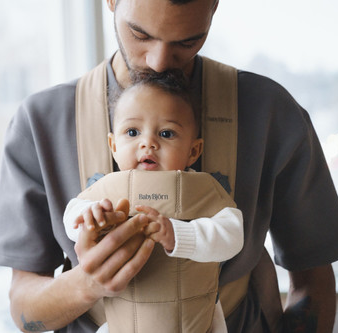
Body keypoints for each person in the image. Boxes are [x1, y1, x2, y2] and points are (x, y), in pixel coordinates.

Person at [0, 0, 338, 332]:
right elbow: (24, 304)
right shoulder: (40, 124)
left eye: (187, 41)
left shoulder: (270, 112)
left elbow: (313, 279)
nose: (159, 61)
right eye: (139, 34)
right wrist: (87, 284)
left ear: (214, 6)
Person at [63, 77, 244, 333]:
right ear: (113, 146)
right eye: (133, 132)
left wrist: (178, 234)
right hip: (122, 321)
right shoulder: (106, 189)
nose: (148, 143)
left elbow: (233, 236)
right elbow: (71, 216)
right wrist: (89, 218)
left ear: (194, 151)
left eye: (166, 133)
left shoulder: (203, 189)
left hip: (195, 320)